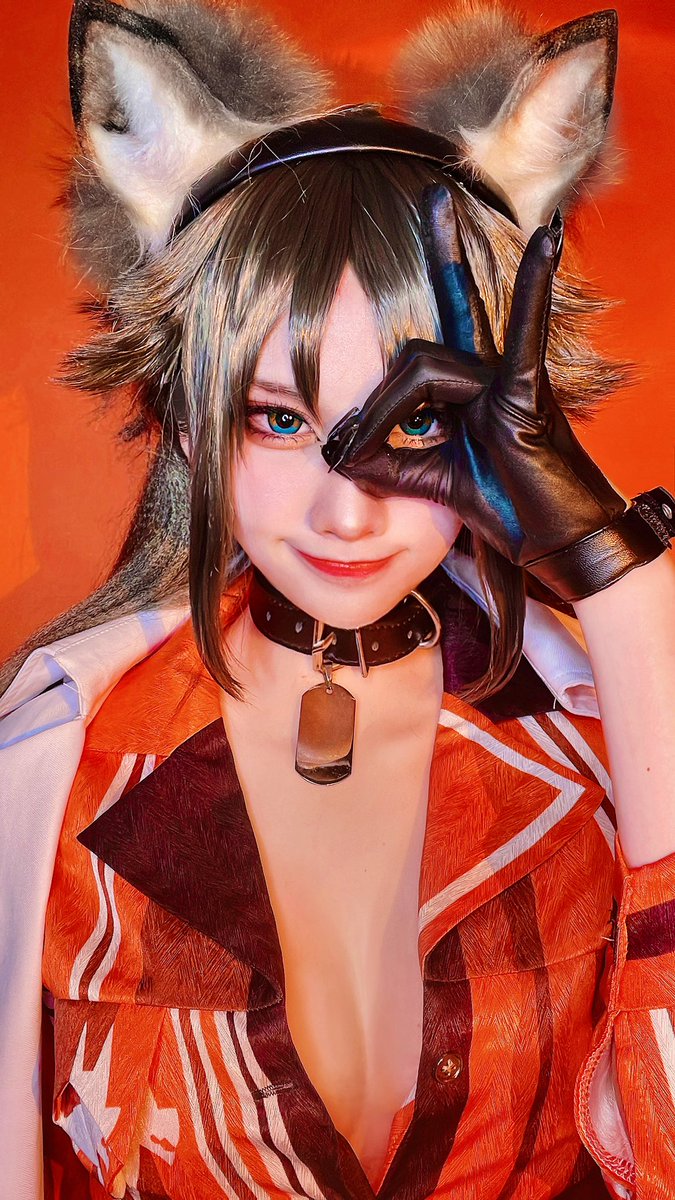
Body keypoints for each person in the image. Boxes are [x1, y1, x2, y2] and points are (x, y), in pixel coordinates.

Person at [1, 1, 673, 1198]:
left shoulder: (601, 748)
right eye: (277, 419)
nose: (347, 515)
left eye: (414, 423)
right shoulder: (58, 771)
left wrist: (621, 582)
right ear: (187, 424)